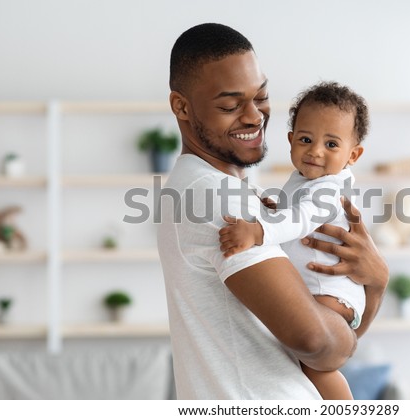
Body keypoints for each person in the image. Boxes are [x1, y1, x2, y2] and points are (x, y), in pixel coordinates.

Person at [157, 23, 389, 400]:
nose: (254, 116)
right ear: (181, 106)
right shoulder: (214, 196)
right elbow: (316, 342)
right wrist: (375, 288)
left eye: (261, 96)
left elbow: (324, 346)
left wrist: (370, 289)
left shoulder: (237, 192)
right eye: (231, 105)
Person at [219, 81, 370, 399]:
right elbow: (297, 214)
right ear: (290, 141)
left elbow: (301, 218)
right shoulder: (305, 179)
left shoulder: (329, 188)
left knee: (315, 365)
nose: (315, 151)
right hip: (317, 290)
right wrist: (277, 210)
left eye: (331, 145)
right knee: (299, 363)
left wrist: (259, 231)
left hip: (329, 293)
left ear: (353, 154)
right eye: (306, 139)